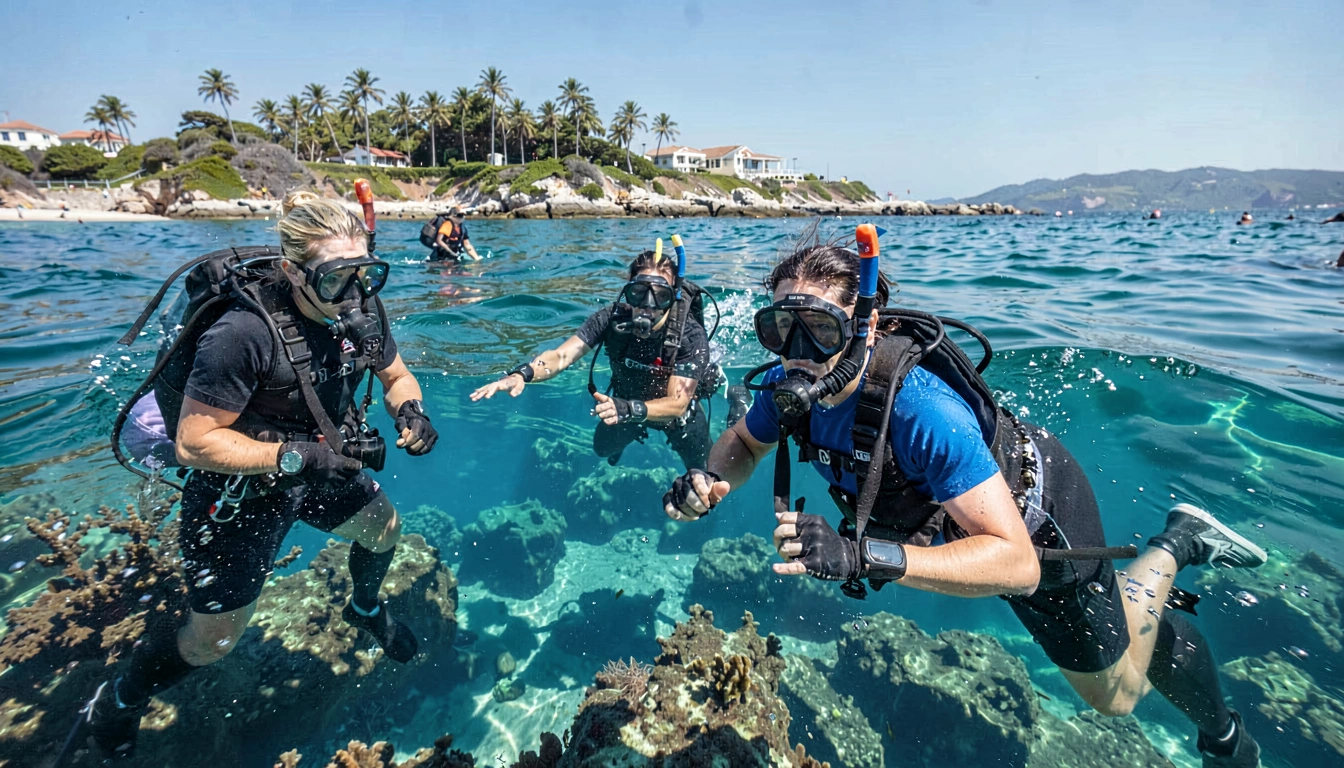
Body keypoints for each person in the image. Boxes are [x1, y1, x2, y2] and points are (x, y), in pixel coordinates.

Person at [662, 226, 1265, 768]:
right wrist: (709, 479)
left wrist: (861, 557)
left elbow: (1018, 565)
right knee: (1116, 668)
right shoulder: (789, 385)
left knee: (1117, 696)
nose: (797, 350)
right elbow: (744, 442)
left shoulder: (921, 409)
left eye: (819, 329)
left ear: (864, 325)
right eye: (780, 329)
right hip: (959, 531)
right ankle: (1139, 597)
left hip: (1036, 520)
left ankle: (1174, 545)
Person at [80, 191, 439, 759]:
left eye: (365, 274)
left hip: (320, 462)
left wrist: (411, 412)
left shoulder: (362, 308)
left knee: (384, 530)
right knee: (214, 642)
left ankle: (364, 607)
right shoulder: (243, 333)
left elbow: (396, 375)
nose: (352, 294)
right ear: (294, 273)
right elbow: (194, 441)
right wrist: (298, 458)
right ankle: (121, 696)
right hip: (238, 489)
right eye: (334, 280)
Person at [471, 245, 724, 470]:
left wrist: (630, 410)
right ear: (627, 292)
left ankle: (738, 403)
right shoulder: (610, 319)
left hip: (675, 417)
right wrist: (522, 374)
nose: (648, 305)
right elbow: (561, 356)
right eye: (638, 293)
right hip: (625, 406)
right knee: (602, 449)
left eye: (660, 296)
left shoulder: (689, 335)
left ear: (673, 297)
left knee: (707, 472)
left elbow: (678, 404)